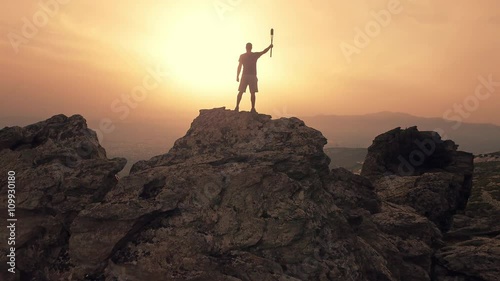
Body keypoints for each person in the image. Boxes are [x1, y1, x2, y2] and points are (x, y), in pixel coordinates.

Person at [235, 42, 273, 113]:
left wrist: (237, 76)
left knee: (241, 92)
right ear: (251, 47)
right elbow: (263, 51)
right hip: (252, 76)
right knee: (252, 93)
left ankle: (237, 107)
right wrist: (269, 46)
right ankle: (252, 108)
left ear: (246, 47)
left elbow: (239, 66)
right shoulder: (254, 55)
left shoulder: (242, 56)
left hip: (244, 75)